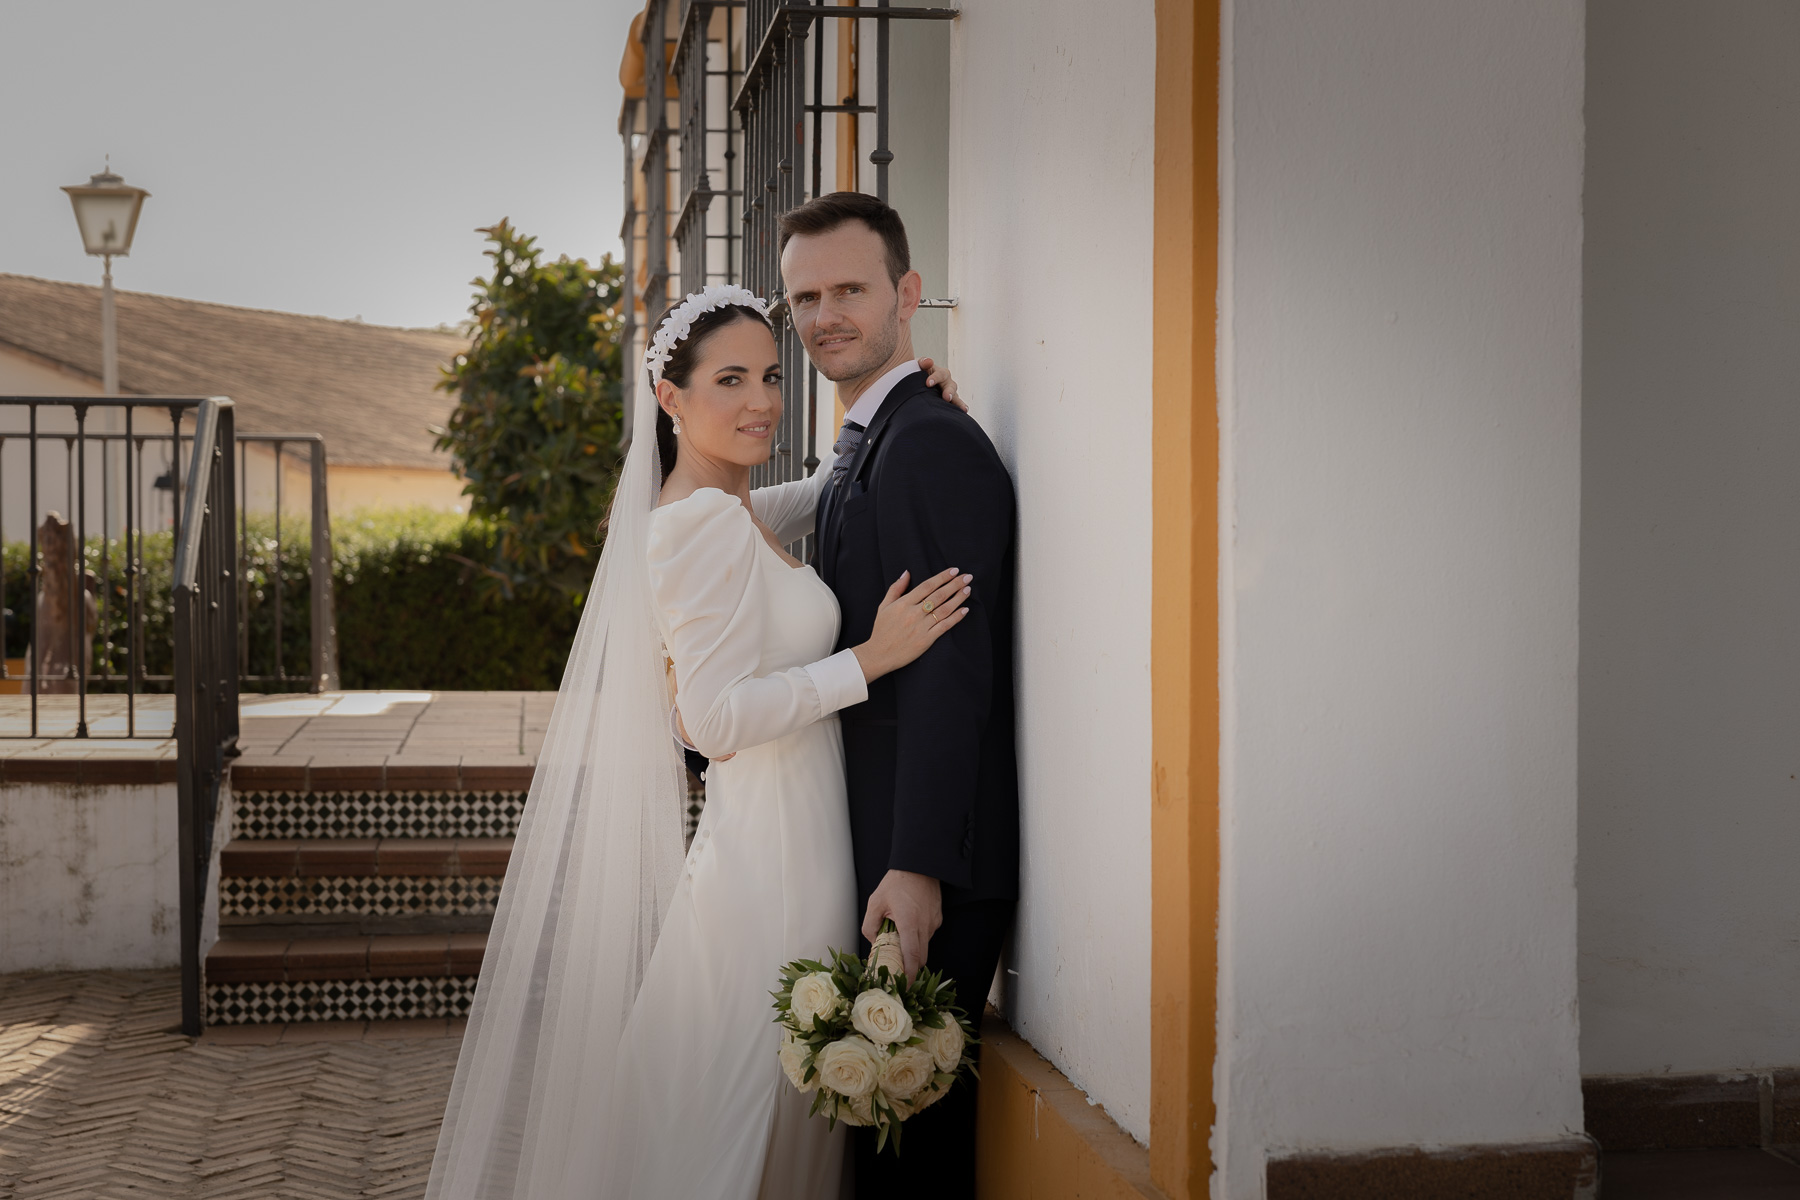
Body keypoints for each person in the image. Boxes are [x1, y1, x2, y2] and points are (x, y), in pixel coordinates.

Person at [424, 283, 969, 1199]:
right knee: (741, 1114)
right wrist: (869, 660)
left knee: (742, 1108)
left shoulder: (727, 507)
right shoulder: (699, 524)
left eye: (769, 375)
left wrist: (901, 409)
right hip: (775, 859)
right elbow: (710, 721)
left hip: (782, 838)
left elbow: (828, 493)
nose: (760, 401)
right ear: (672, 400)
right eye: (729, 381)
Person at [779, 191, 1020, 1198]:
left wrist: (915, 867)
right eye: (805, 297)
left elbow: (951, 669)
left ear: (907, 293)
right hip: (879, 847)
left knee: (905, 1164)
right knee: (882, 1157)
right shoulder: (868, 442)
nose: (826, 314)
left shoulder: (924, 443)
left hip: (927, 870)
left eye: (850, 289)